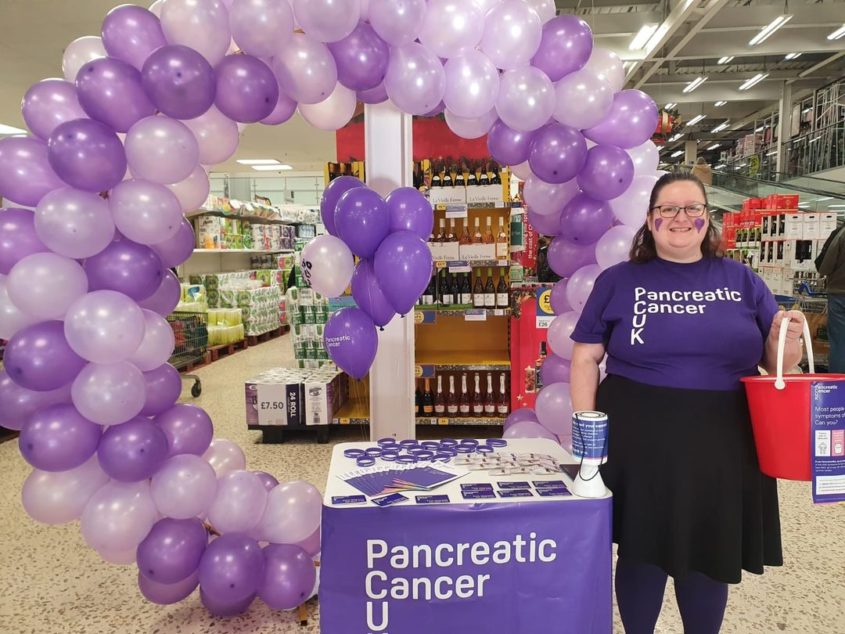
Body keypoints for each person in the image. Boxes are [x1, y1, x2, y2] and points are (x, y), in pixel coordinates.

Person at [569, 172, 805, 634]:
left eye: (692, 208)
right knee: (641, 548)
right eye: (668, 209)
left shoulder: (741, 279)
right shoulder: (618, 281)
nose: (681, 217)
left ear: (707, 218)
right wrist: (588, 439)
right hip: (639, 438)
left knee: (709, 550)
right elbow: (585, 357)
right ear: (651, 220)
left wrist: (786, 341)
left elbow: (779, 364)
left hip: (724, 439)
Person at [818, 222, 845, 372]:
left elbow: (825, 267)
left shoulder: (841, 234)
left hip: (840, 294)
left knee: (839, 343)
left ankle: (839, 385)